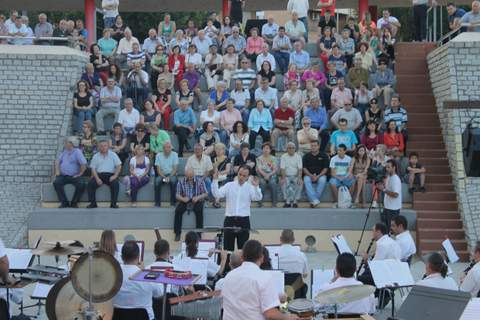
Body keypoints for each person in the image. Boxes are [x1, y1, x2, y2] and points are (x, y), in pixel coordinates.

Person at [222, 240, 299, 320]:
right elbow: (270, 314)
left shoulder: (229, 276)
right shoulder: (264, 277)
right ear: (262, 258)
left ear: (242, 257)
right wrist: (288, 317)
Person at [212, 166, 262, 251]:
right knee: (227, 249)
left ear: (248, 177)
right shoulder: (229, 185)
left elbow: (258, 198)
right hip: (229, 219)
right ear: (237, 173)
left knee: (243, 249)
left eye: (244, 176)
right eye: (240, 174)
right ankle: (227, 264)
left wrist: (257, 187)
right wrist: (215, 180)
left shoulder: (250, 187)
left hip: (244, 220)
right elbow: (217, 194)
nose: (241, 177)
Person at [113, 241, 163, 319]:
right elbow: (159, 293)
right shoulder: (148, 275)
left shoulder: (113, 275)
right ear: (138, 257)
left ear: (122, 257)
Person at [174, 168, 208, 241]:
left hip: (196, 199)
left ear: (194, 175)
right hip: (185, 200)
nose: (190, 178)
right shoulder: (181, 182)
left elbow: (206, 193)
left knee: (199, 210)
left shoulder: (200, 181)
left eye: (191, 177)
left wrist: (198, 197)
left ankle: (199, 233)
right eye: (188, 177)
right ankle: (177, 233)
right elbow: (177, 195)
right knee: (178, 210)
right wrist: (183, 199)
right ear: (186, 175)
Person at [87, 140, 122, 209]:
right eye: (101, 146)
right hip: (99, 175)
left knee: (115, 184)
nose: (103, 147)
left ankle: (113, 204)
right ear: (98, 147)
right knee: (90, 183)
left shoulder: (113, 154)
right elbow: (93, 169)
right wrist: (97, 178)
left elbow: (119, 166)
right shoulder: (96, 156)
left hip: (110, 175)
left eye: (105, 146)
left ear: (108, 146)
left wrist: (115, 176)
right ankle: (93, 204)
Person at [53, 137, 87, 208]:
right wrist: (57, 171)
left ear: (71, 143)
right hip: (63, 175)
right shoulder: (64, 151)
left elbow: (83, 164)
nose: (65, 144)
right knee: (56, 183)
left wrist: (80, 174)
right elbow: (57, 161)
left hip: (74, 176)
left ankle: (74, 202)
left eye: (66, 142)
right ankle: (64, 202)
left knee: (81, 184)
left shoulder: (77, 151)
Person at [376, 159, 402, 231]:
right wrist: (382, 186)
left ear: (394, 167)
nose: (387, 169)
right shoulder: (389, 177)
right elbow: (388, 189)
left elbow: (396, 194)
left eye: (389, 167)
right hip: (387, 207)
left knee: (391, 230)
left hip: (393, 210)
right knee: (386, 229)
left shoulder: (396, 179)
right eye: (386, 167)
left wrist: (383, 190)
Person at [303, 141, 329, 207]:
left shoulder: (324, 155)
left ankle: (313, 200)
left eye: (315, 145)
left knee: (322, 180)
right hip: (309, 175)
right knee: (306, 180)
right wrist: (311, 175)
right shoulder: (306, 156)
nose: (313, 147)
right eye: (312, 146)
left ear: (318, 146)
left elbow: (325, 168)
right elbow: (304, 168)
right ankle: (315, 200)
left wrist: (318, 176)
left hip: (320, 175)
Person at [154, 142, 178, 207]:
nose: (167, 149)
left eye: (169, 147)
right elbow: (158, 170)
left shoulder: (175, 154)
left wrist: (169, 177)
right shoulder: (158, 155)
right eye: (165, 147)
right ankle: (157, 203)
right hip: (162, 175)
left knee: (173, 181)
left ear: (171, 148)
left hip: (172, 174)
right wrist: (165, 177)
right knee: (157, 182)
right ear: (163, 148)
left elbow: (175, 169)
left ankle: (173, 203)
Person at [256, 143, 278, 207]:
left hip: (271, 175)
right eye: (264, 148)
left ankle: (274, 203)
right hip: (261, 175)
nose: (266, 150)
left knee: (273, 183)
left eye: (267, 148)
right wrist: (265, 175)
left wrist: (269, 175)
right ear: (262, 149)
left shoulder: (273, 158)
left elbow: (275, 169)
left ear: (270, 150)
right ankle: (260, 203)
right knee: (262, 183)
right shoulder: (259, 158)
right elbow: (259, 169)